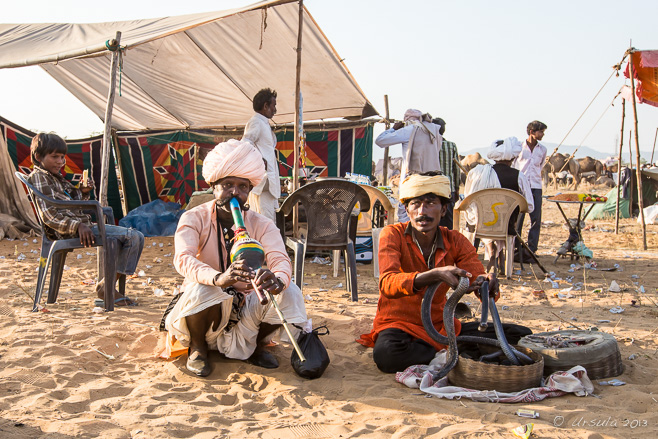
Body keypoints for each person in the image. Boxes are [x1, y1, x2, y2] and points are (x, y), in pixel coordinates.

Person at [163, 138, 307, 377]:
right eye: (228, 184)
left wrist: (277, 279)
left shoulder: (262, 223)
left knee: (289, 292)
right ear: (213, 186)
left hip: (247, 308)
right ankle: (198, 348)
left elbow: (280, 260)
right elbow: (183, 258)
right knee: (204, 288)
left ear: (249, 191)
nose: (235, 192)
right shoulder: (193, 217)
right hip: (207, 308)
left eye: (242, 187)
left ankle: (254, 346)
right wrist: (219, 277)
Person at [357, 172, 499, 373]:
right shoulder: (392, 235)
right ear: (407, 209)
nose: (422, 211)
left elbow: (476, 276)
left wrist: (486, 284)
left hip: (440, 324)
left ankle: (443, 349)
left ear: (443, 209)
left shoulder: (456, 240)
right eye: (415, 204)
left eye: (431, 203)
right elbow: (387, 283)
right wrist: (434, 274)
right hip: (398, 324)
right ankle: (449, 351)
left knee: (516, 334)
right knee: (387, 356)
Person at [28, 132, 144, 306]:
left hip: (82, 226)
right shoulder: (38, 177)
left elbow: (73, 202)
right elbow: (49, 215)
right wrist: (77, 226)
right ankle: (106, 286)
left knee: (133, 236)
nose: (60, 161)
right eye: (55, 157)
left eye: (62, 157)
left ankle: (108, 285)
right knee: (133, 236)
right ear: (38, 157)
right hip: (65, 232)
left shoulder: (55, 178)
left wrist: (82, 192)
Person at [462, 137, 534, 272]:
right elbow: (529, 206)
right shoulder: (519, 176)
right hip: (506, 226)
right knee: (502, 218)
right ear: (513, 158)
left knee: (480, 215)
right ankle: (498, 254)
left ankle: (492, 251)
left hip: (480, 223)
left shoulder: (477, 173)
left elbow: (468, 200)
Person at [375, 109, 443, 222]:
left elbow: (380, 140)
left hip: (412, 181)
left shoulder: (410, 130)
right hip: (432, 181)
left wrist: (394, 128)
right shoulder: (434, 131)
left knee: (406, 214)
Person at [242, 88, 281, 222]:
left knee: (266, 221)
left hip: (268, 182)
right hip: (263, 181)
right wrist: (259, 160)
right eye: (273, 105)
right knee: (265, 222)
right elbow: (246, 144)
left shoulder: (264, 123)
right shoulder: (256, 122)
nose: (275, 109)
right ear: (265, 106)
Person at [513, 120, 547, 258]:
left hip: (536, 186)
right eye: (541, 132)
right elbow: (515, 165)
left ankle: (531, 249)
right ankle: (516, 248)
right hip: (521, 187)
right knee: (518, 218)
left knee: (536, 219)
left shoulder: (542, 149)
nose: (543, 134)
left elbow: (541, 165)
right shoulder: (519, 148)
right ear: (532, 132)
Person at [432, 117, 460, 229]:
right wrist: (457, 188)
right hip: (448, 188)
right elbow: (456, 169)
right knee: (448, 219)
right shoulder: (451, 145)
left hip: (432, 187)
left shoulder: (430, 145)